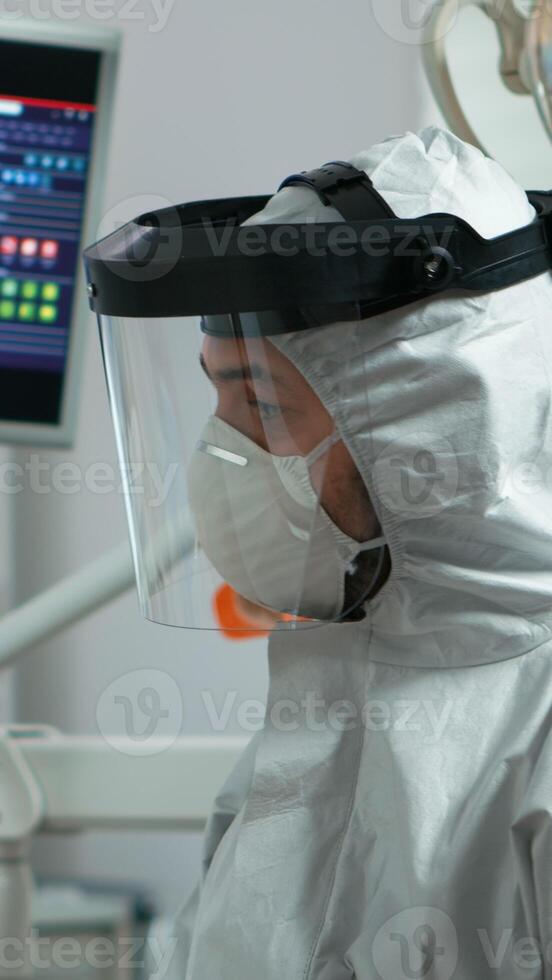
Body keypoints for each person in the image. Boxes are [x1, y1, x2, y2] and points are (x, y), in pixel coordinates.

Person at [98, 125, 552, 978]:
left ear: (428, 436)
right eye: (216, 395)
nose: (222, 451)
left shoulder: (533, 755)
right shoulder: (331, 698)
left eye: (261, 405)